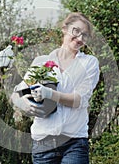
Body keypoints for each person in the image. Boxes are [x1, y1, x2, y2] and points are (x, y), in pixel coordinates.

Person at [11, 12, 100, 164]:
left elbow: (79, 100)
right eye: (76, 31)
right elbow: (17, 93)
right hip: (43, 143)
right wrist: (24, 104)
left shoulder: (89, 63)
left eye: (84, 35)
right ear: (65, 29)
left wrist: (50, 94)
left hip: (74, 142)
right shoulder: (42, 62)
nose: (79, 38)